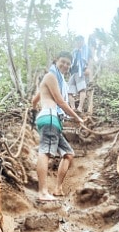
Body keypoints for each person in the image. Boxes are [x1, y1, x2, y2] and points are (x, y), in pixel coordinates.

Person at [31, 52, 85, 201]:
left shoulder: (51, 79)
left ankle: (58, 188)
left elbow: (35, 99)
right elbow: (61, 102)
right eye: (63, 62)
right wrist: (77, 117)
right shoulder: (51, 76)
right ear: (56, 61)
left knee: (68, 154)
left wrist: (35, 108)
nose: (65, 65)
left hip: (52, 119)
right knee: (45, 152)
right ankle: (42, 192)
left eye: (68, 63)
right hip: (49, 118)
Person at [68, 35, 91, 113]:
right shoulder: (74, 51)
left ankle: (80, 108)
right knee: (69, 91)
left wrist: (88, 68)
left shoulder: (86, 50)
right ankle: (73, 108)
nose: (79, 42)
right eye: (77, 40)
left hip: (81, 71)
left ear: (83, 41)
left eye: (80, 40)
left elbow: (90, 60)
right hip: (72, 72)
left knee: (82, 89)